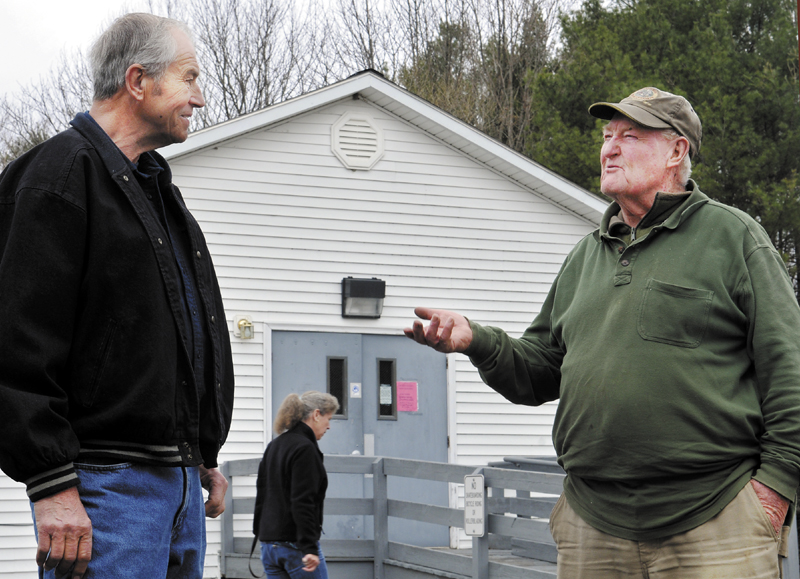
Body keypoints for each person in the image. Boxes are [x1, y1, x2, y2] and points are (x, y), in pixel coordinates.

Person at [405, 87, 800, 577]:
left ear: (677, 151)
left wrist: (775, 488)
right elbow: (540, 371)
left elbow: (790, 370)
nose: (608, 148)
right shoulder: (584, 257)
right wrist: (475, 340)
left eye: (629, 136)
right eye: (607, 136)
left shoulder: (734, 238)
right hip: (593, 524)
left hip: (713, 519)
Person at [0, 13, 235, 579]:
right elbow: (15, 343)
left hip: (178, 489)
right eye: (189, 78)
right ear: (138, 81)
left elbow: (171, 339)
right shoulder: (57, 177)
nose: (199, 99)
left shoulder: (158, 192)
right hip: (106, 492)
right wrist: (52, 483)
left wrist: (198, 451)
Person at [253, 391, 340, 579]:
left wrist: (259, 533)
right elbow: (303, 500)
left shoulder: (275, 445)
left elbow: (262, 493)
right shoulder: (305, 449)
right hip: (295, 546)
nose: (329, 426)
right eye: (328, 418)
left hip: (269, 545)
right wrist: (309, 547)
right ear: (316, 415)